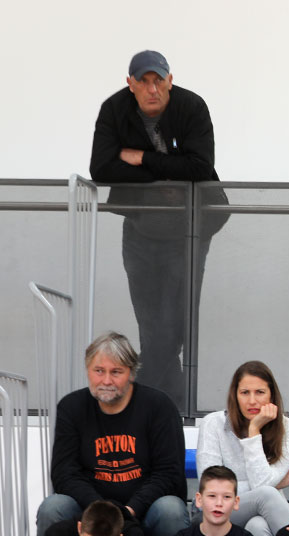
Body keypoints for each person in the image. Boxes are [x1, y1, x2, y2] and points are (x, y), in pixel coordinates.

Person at [89, 50, 222, 409]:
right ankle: (171, 407)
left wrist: (142, 159)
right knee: (151, 323)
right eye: (144, 81)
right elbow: (101, 169)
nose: (152, 89)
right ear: (130, 84)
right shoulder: (114, 109)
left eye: (158, 80)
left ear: (170, 81)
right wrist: (165, 172)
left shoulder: (191, 107)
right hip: (141, 227)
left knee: (175, 320)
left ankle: (139, 398)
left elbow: (200, 167)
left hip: (190, 229)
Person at [36, 330, 188, 536]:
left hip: (143, 513)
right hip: (89, 512)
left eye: (116, 372)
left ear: (131, 373)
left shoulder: (159, 407)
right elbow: (64, 473)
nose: (106, 380)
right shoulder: (71, 407)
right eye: (99, 371)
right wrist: (102, 511)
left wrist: (129, 510)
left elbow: (169, 473)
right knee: (53, 507)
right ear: (88, 370)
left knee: (171, 510)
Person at [196, 360, 289, 536]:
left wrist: (254, 431)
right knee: (267, 494)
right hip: (214, 511)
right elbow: (211, 488)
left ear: (272, 395)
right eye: (245, 392)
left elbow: (261, 483)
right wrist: (275, 483)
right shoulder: (212, 424)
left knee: (258, 525)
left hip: (260, 516)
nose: (252, 401)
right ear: (235, 395)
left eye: (260, 392)